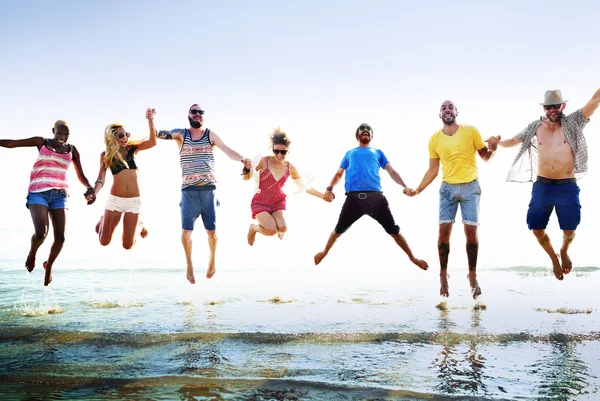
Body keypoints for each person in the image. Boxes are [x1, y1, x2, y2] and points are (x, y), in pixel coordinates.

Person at [492, 88, 600, 280]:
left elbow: (595, 100)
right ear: (544, 108)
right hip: (543, 186)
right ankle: (553, 258)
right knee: (536, 228)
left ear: (563, 106)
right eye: (549, 107)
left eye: (556, 106)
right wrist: (497, 143)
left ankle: (564, 250)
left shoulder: (574, 121)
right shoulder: (535, 127)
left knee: (570, 230)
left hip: (567, 185)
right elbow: (512, 141)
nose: (552, 110)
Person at [408, 101, 497, 299]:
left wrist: (494, 148)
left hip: (470, 188)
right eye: (444, 108)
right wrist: (418, 190)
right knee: (443, 235)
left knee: (471, 234)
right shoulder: (434, 140)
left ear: (457, 112)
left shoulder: (471, 131)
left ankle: (472, 274)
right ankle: (443, 274)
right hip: (447, 189)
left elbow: (486, 156)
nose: (447, 110)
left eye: (451, 107)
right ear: (439, 114)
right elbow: (433, 169)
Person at [156, 104, 252, 284]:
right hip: (189, 191)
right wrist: (150, 120)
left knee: (212, 231)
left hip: (209, 190)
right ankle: (189, 265)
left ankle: (212, 260)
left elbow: (227, 150)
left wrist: (242, 159)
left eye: (201, 112)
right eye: (194, 111)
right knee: (186, 231)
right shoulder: (181, 134)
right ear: (189, 115)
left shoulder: (210, 135)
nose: (198, 114)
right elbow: (157, 134)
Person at [313, 123, 428, 271]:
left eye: (368, 130)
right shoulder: (350, 153)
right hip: (353, 199)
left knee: (394, 231)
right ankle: (324, 253)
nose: (365, 131)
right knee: (337, 232)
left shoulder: (378, 152)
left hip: (376, 199)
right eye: (362, 129)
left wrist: (404, 186)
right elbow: (339, 173)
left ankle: (413, 258)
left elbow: (392, 171)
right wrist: (329, 188)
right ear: (357, 135)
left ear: (372, 135)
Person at [0, 120, 96, 286]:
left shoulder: (72, 150)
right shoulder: (41, 142)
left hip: (60, 195)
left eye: (66, 134)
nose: (63, 137)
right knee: (41, 233)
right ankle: (32, 253)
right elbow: (13, 143)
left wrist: (89, 188)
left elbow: (80, 174)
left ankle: (49, 265)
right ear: (53, 131)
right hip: (38, 192)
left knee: (61, 238)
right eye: (60, 133)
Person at [244, 128, 326, 245]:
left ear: (288, 151)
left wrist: (323, 196)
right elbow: (247, 177)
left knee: (283, 228)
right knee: (271, 230)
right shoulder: (263, 161)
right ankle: (253, 228)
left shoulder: (290, 167)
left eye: (283, 152)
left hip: (278, 202)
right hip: (261, 202)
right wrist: (247, 170)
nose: (279, 155)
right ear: (272, 149)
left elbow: (303, 187)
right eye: (276, 151)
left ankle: (278, 226)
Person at [92, 108, 157, 249]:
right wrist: (94, 193)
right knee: (104, 242)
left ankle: (139, 224)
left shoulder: (132, 149)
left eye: (126, 134)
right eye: (121, 135)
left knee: (128, 245)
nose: (125, 138)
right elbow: (101, 179)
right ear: (112, 137)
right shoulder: (105, 155)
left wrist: (150, 121)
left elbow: (152, 142)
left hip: (134, 202)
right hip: (115, 200)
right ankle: (103, 219)